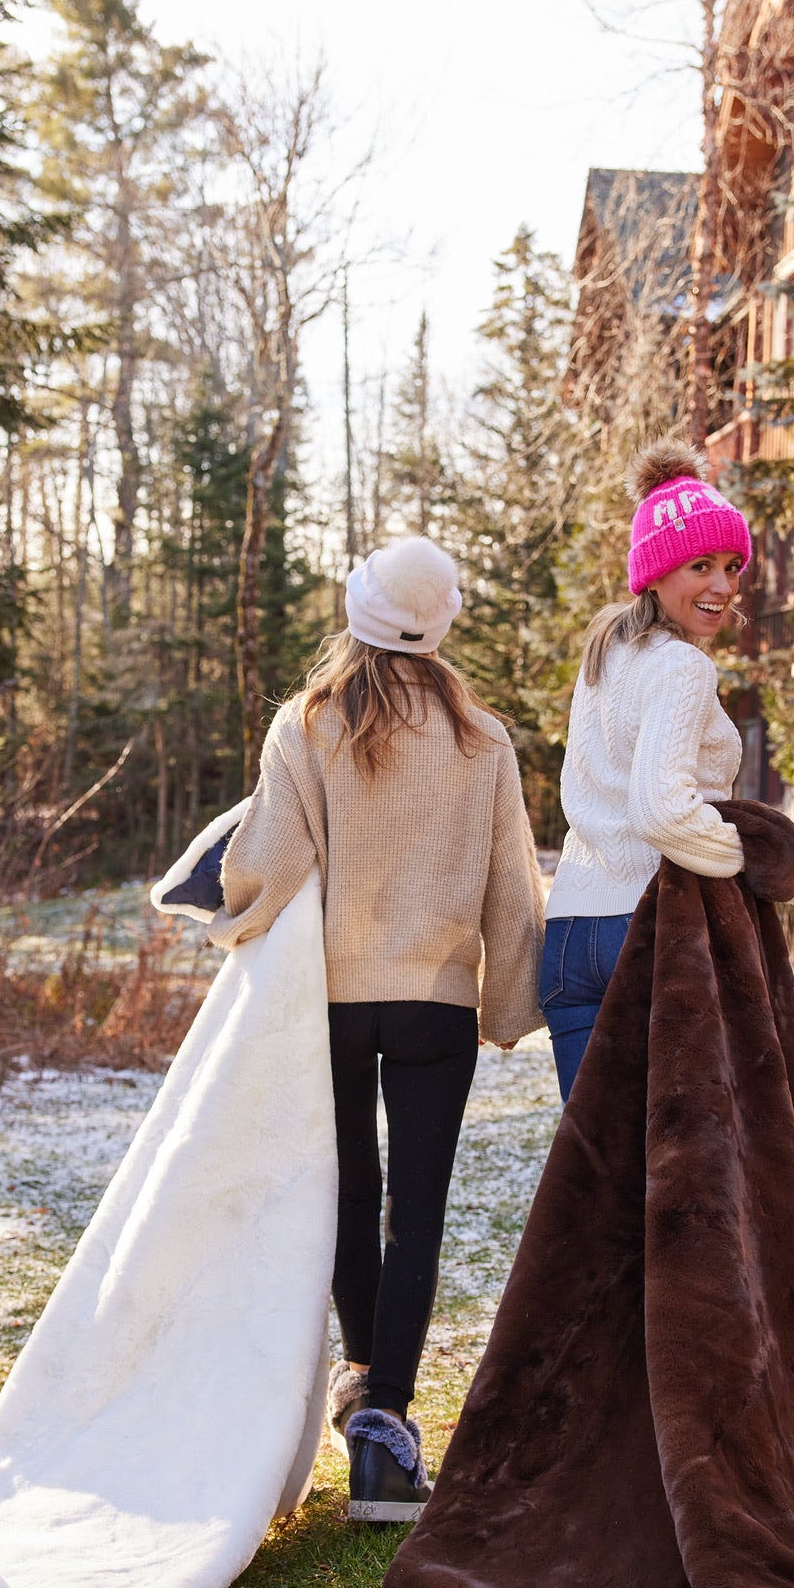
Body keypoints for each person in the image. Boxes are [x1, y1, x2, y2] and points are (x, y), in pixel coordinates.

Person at [209, 535, 546, 1526]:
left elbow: (267, 863)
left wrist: (231, 919)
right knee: (419, 1208)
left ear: (354, 610)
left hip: (335, 1000)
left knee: (353, 1192)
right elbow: (511, 889)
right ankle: (384, 1424)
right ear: (442, 624)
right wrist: (511, 1001)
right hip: (436, 999)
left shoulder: (303, 725)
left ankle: (366, 1386)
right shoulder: (482, 738)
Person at [541, 436, 794, 1102]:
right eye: (701, 565)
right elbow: (663, 812)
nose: (723, 586)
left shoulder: (605, 657)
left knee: (597, 1177)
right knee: (673, 1174)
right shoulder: (681, 664)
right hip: (644, 933)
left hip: (571, 936)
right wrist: (773, 872)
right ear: (656, 572)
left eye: (732, 566)